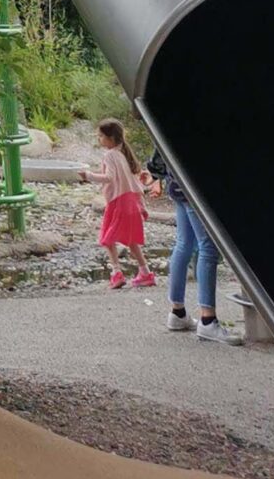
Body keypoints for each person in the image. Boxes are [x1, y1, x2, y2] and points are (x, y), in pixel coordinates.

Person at [147, 145, 237, 340]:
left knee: (184, 243)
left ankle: (177, 313)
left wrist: (158, 176)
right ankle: (208, 320)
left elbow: (158, 157)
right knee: (208, 247)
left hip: (176, 184)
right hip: (194, 187)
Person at [80, 117, 156, 289]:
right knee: (131, 240)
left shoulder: (110, 155)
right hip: (131, 202)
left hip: (118, 203)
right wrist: (141, 205)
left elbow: (109, 177)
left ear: (111, 138)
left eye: (101, 136)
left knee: (107, 239)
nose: (99, 139)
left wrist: (88, 175)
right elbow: (135, 182)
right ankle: (145, 272)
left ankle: (116, 273)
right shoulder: (125, 154)